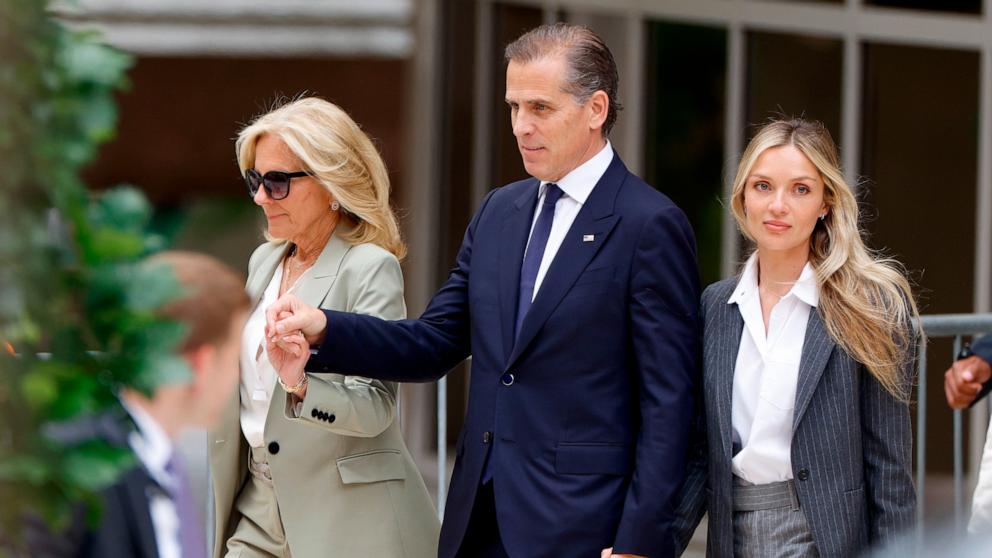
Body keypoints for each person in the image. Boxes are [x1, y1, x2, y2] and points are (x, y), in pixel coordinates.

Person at [265, 23, 700, 558]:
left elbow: (670, 404)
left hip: (586, 528)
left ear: (596, 109)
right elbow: (434, 343)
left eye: (540, 108)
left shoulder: (649, 224)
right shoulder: (500, 211)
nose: (521, 126)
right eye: (514, 107)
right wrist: (327, 329)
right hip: (479, 518)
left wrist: (641, 542)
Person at [672, 119, 918, 556]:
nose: (777, 205)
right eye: (763, 186)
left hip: (825, 539)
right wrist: (648, 544)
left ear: (826, 202)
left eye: (800, 189)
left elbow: (889, 471)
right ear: (742, 196)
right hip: (733, 536)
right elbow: (700, 453)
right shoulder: (716, 306)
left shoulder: (870, 308)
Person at [211, 97, 439, 558]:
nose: (259, 196)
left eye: (276, 182)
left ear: (331, 184)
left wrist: (300, 386)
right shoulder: (264, 261)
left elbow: (377, 407)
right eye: (256, 180)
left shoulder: (368, 267)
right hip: (258, 509)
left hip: (349, 521)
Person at [77, 251, 251, 558]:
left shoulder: (159, 462)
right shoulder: (86, 476)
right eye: (233, 360)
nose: (238, 375)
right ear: (201, 365)